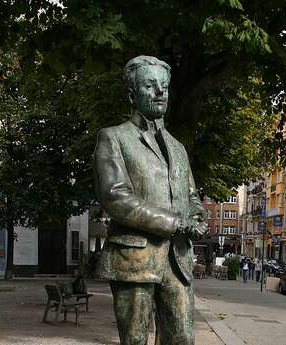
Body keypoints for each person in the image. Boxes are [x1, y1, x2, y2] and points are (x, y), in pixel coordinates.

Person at [94, 56, 207, 345]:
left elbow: (190, 195)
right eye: (151, 85)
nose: (160, 92)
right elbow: (115, 197)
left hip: (177, 259)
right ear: (132, 94)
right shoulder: (114, 138)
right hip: (135, 257)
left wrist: (197, 216)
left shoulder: (178, 148)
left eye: (165, 86)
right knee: (135, 340)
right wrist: (175, 223)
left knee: (181, 337)